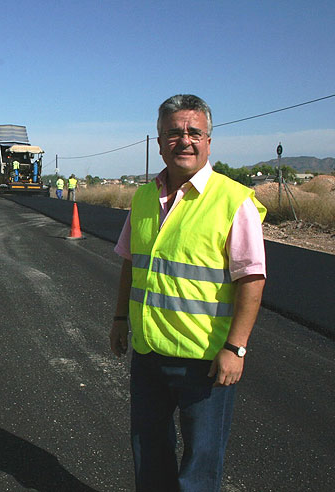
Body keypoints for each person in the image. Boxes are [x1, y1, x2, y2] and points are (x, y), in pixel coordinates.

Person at [109, 94, 266, 492]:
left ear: (209, 141)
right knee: (149, 455)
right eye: (174, 133)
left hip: (205, 361)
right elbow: (131, 261)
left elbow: (252, 278)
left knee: (200, 465)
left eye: (194, 132)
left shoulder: (233, 200)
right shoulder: (144, 197)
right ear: (159, 141)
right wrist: (120, 319)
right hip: (148, 355)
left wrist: (237, 348)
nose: (185, 141)